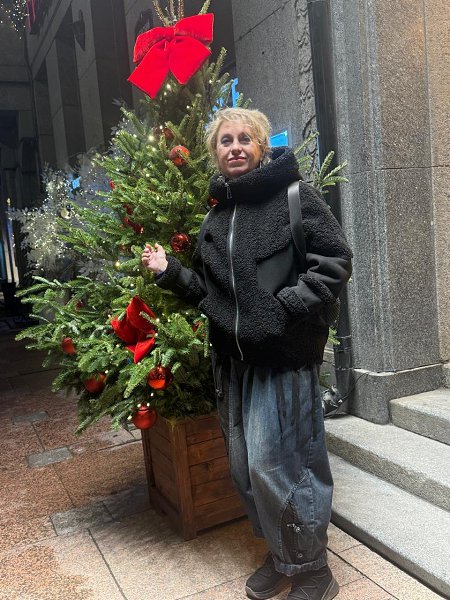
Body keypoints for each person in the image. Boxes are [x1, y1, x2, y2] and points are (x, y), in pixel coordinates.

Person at [141, 107, 352, 600]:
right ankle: (282, 556)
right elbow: (209, 294)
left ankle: (314, 572)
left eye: (244, 139)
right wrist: (170, 272)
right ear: (215, 152)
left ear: (260, 146)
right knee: (246, 469)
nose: (234, 147)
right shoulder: (216, 216)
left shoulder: (294, 197)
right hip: (233, 365)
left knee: (282, 468)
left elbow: (334, 260)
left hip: (282, 359)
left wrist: (284, 310)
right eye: (225, 141)